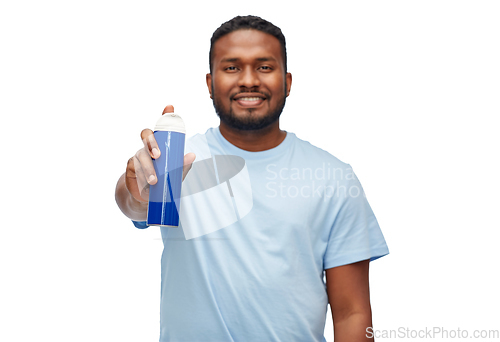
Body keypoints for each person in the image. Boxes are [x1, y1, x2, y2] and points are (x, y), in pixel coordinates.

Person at [115, 15, 389, 342]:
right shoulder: (178, 162)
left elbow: (353, 313)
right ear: (209, 82)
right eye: (231, 67)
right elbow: (133, 203)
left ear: (287, 81)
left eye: (264, 67)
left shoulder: (334, 177)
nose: (248, 80)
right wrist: (138, 187)